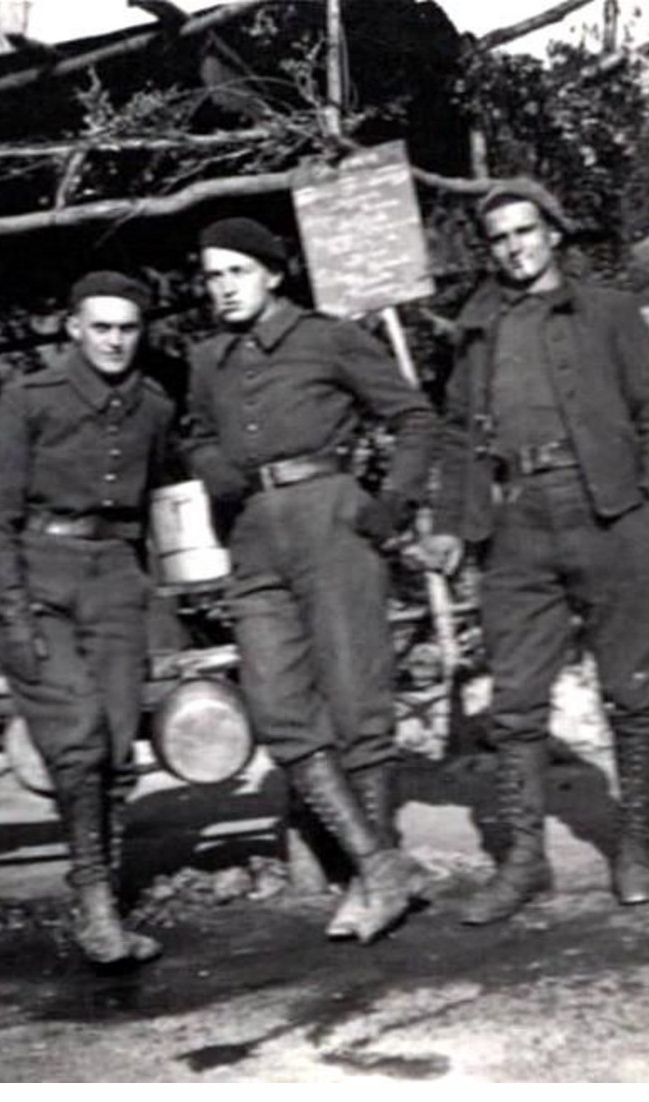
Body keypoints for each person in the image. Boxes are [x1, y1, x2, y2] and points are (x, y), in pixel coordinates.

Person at [416, 180, 649, 923]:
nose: (513, 249)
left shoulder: (609, 312)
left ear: (553, 233)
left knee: (627, 691)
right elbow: (457, 435)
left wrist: (648, 508)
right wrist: (449, 522)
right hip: (518, 527)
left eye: (525, 232)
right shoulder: (475, 329)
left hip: (608, 515)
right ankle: (525, 862)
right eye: (498, 239)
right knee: (514, 704)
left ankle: (634, 847)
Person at [183, 217, 437, 945]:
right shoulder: (208, 359)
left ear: (273, 274)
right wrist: (211, 469)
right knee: (276, 709)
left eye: (236, 271)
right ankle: (380, 865)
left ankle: (369, 880)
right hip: (252, 536)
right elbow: (196, 434)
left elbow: (414, 417)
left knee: (358, 703)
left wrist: (392, 503)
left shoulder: (328, 339)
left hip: (331, 519)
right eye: (212, 275)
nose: (223, 288)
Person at [0, 271, 176, 965]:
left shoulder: (152, 404)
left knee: (115, 747)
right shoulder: (30, 397)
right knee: (79, 735)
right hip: (41, 575)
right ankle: (95, 908)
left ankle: (100, 901)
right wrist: (13, 613)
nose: (115, 340)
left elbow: (153, 505)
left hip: (115, 578)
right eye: (102, 326)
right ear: (74, 328)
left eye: (127, 328)